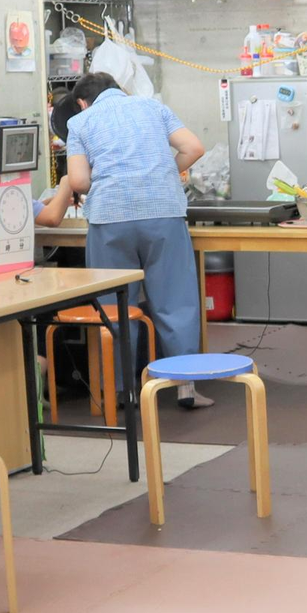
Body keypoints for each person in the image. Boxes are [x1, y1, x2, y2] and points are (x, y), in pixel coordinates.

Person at [53, 72, 213, 409]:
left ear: (82, 102)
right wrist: (164, 173)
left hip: (111, 219)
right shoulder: (153, 107)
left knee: (116, 305)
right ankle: (185, 386)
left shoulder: (80, 122)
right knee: (176, 302)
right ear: (118, 90)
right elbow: (194, 148)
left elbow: (78, 182)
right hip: (163, 213)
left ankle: (121, 391)